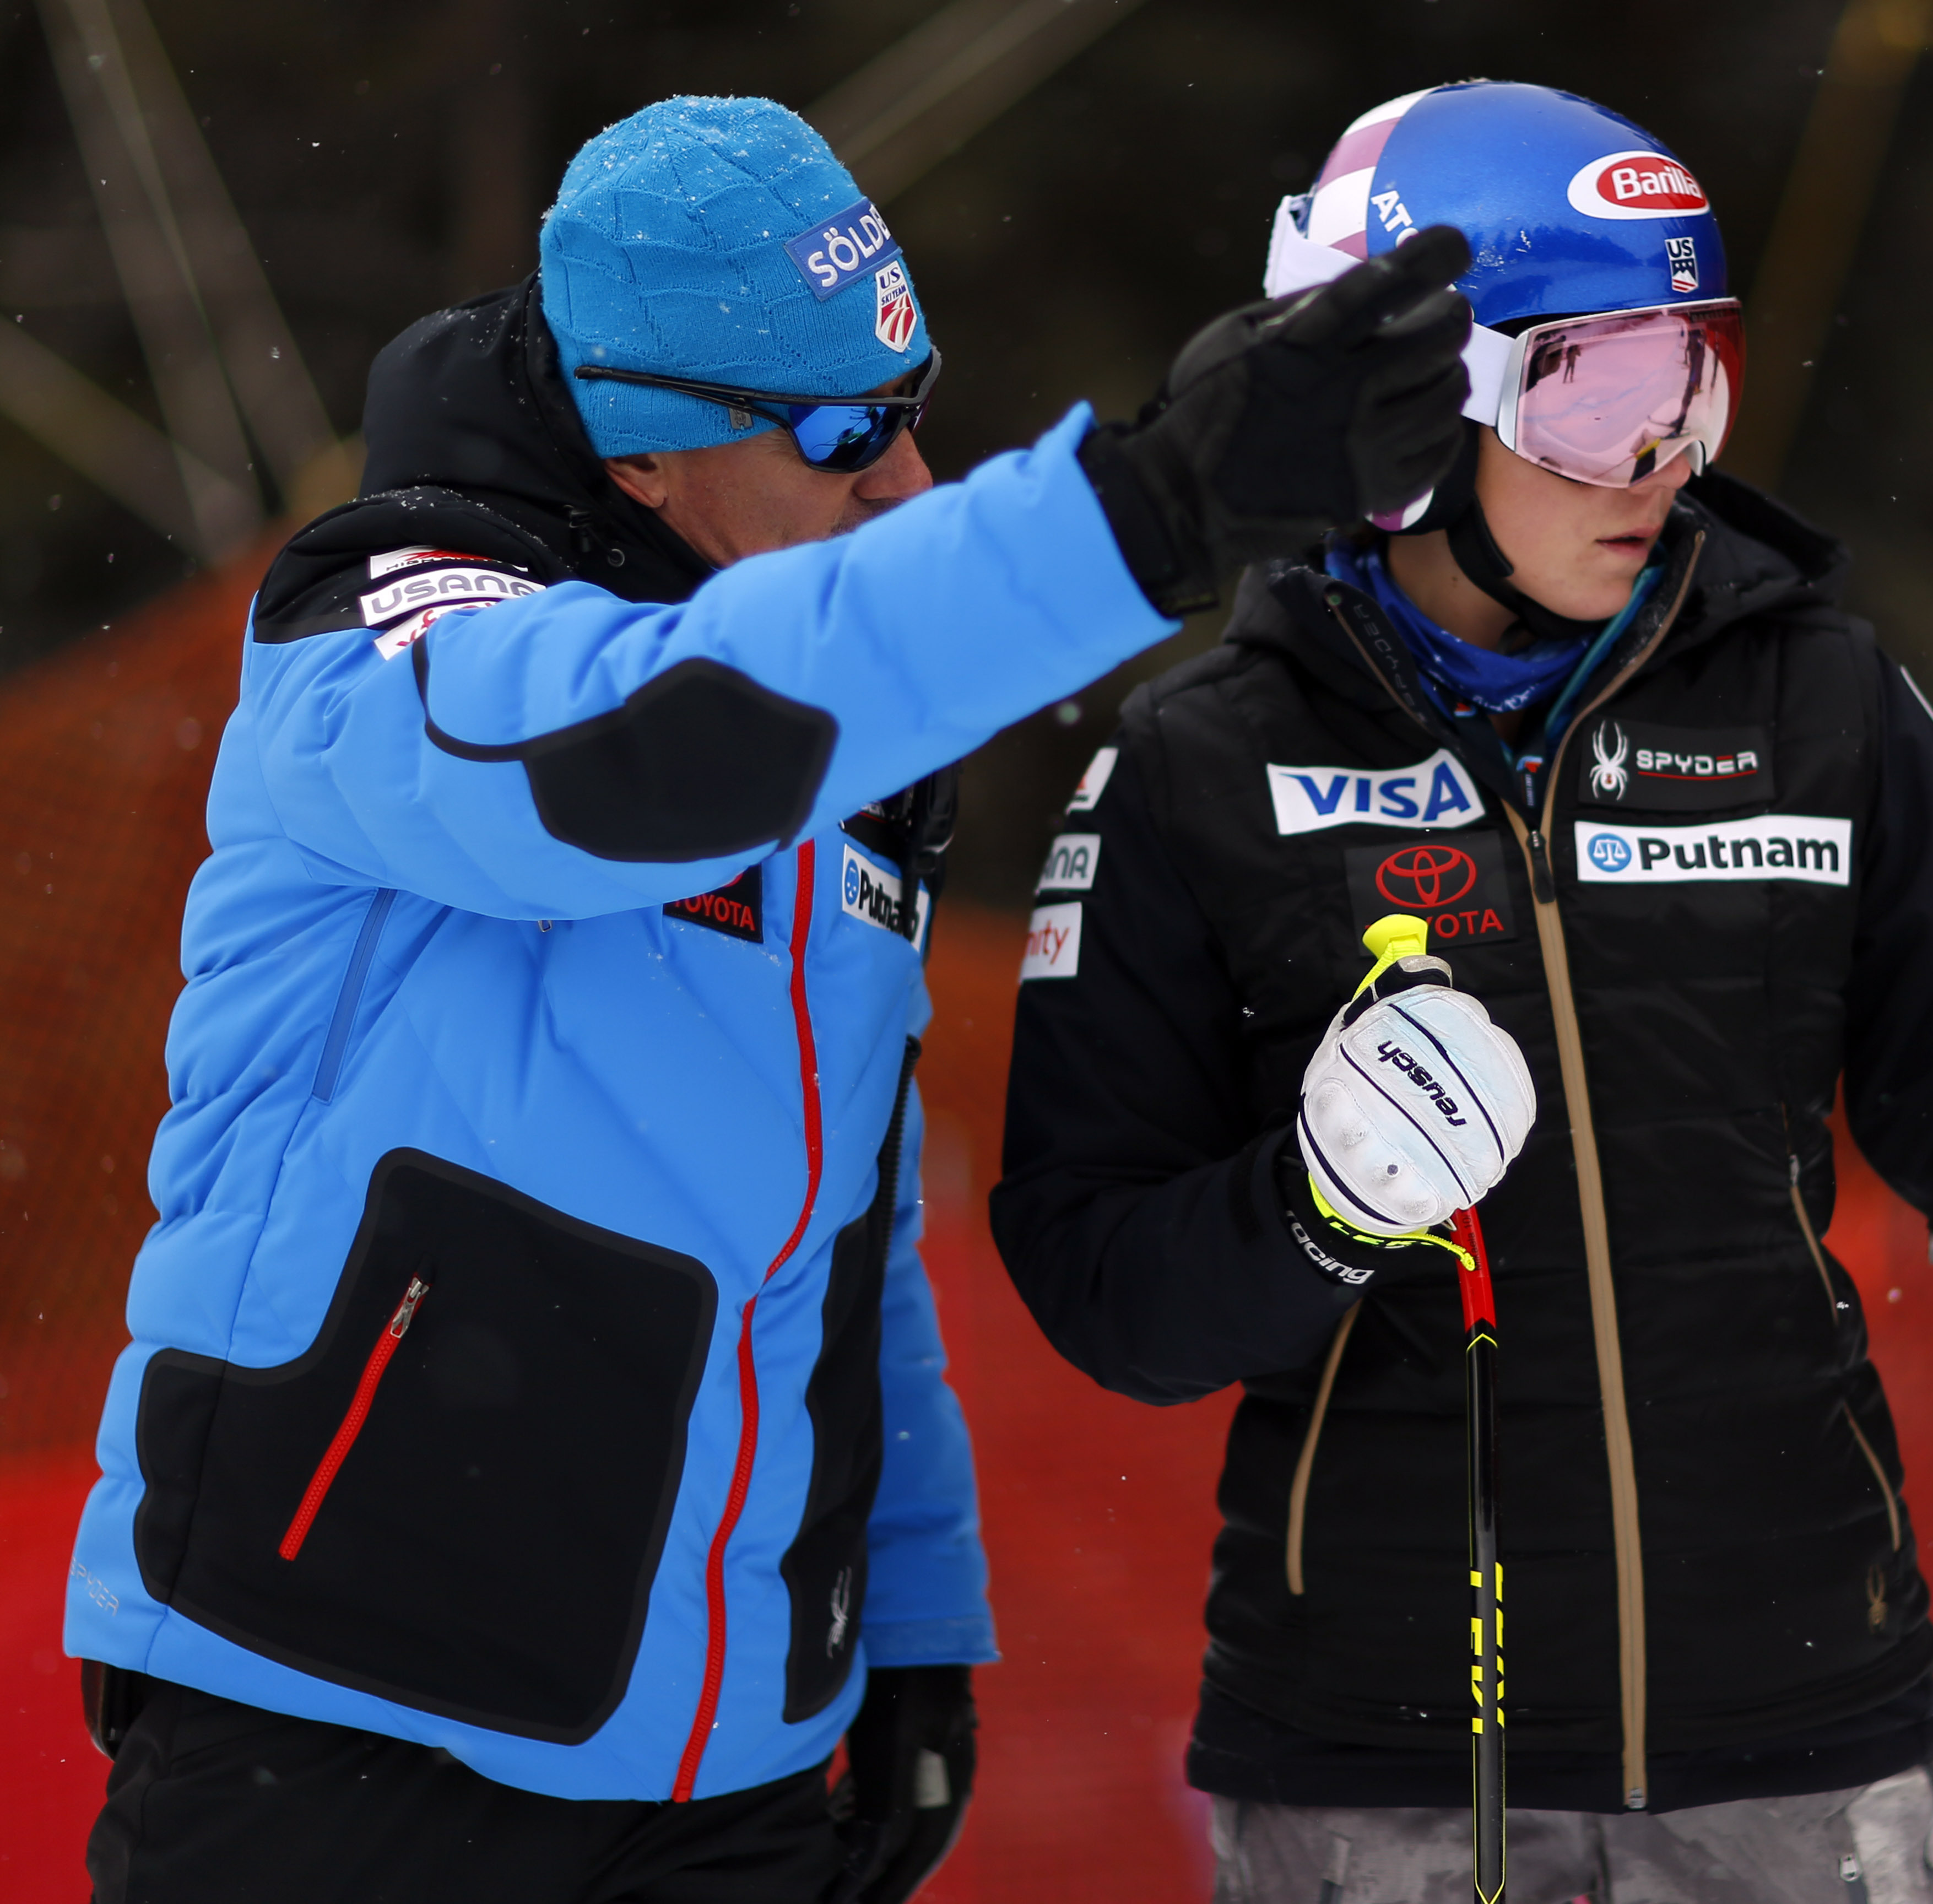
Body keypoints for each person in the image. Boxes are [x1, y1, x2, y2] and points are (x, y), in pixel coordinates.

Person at [64, 94, 1474, 1904]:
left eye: (913, 403)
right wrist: (1146, 511)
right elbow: (626, 762)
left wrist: (900, 1615)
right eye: (839, 434)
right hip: (336, 1716)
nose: (907, 480)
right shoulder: (388, 624)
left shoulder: (836, 734)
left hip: (715, 1756)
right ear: (644, 457)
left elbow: (840, 1233)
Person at [990, 80, 1933, 1903]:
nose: (1665, 457)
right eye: (1600, 389)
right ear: (1402, 413)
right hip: (1389, 1786)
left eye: (1692, 379)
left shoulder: (1821, 705)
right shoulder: (1192, 770)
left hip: (1806, 1760)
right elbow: (1105, 1288)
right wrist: (1316, 1208)